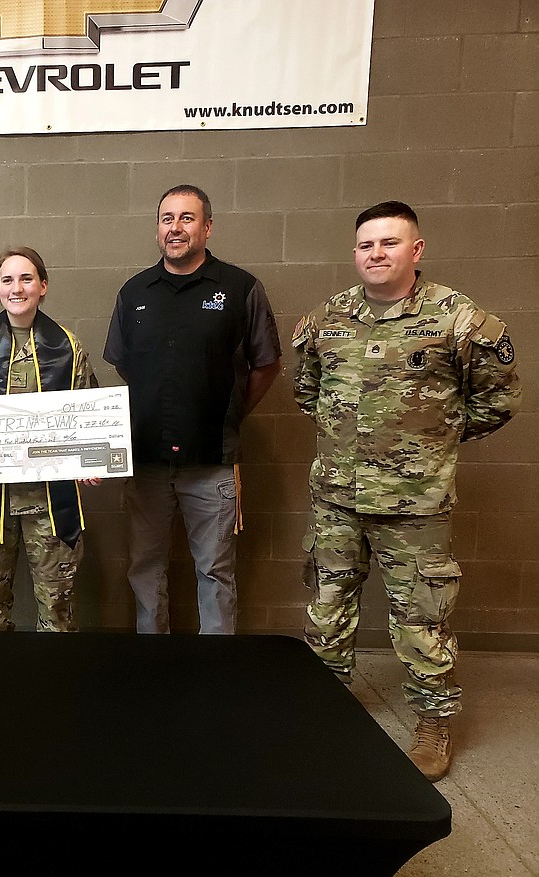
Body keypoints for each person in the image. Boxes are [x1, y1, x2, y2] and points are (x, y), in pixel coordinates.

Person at [294, 201, 519, 782]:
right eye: (366, 245)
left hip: (414, 505)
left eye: (389, 243)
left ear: (415, 250)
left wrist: (434, 441)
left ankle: (433, 720)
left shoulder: (457, 319)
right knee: (327, 608)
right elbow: (306, 391)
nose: (376, 254)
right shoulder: (328, 319)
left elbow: (498, 399)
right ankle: (324, 704)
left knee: (422, 615)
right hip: (337, 498)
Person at [104, 184, 282, 635]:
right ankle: (153, 660)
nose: (176, 228)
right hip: (145, 461)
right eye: (167, 218)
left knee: (215, 573)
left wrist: (228, 413)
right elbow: (127, 365)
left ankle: (214, 673)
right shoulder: (134, 292)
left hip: (212, 464)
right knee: (144, 569)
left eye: (187, 218)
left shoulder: (240, 288)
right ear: (158, 228)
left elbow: (266, 365)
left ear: (207, 226)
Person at [0, 247, 99, 632]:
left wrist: (91, 458)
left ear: (43, 286)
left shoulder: (69, 348)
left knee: (57, 610)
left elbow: (85, 418)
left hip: (49, 502)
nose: (17, 288)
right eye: (7, 280)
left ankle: (55, 688)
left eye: (26, 279)